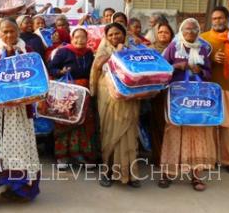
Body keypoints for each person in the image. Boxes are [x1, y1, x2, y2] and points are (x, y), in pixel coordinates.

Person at [0, 18, 41, 213]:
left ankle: (13, 188)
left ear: (18, 31)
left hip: (19, 111)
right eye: (5, 32)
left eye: (12, 31)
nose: (9, 35)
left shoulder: (26, 49)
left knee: (18, 149)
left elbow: (35, 74)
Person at [159, 18, 215, 191]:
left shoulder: (203, 49)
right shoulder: (173, 48)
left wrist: (201, 71)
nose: (190, 33)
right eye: (186, 30)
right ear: (181, 32)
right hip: (176, 96)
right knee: (173, 131)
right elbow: (162, 69)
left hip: (197, 98)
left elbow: (209, 72)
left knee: (196, 132)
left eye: (193, 30)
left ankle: (196, 176)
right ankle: (168, 173)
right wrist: (177, 66)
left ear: (198, 32)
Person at [89, 22, 141, 188]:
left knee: (129, 135)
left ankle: (129, 174)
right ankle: (107, 172)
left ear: (124, 34)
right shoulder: (103, 51)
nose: (114, 37)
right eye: (110, 35)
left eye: (117, 33)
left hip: (129, 98)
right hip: (108, 97)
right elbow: (96, 68)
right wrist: (114, 55)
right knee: (109, 134)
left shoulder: (133, 50)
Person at [200, 6, 229, 171]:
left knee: (228, 125)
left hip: (226, 86)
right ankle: (209, 160)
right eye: (215, 18)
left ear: (226, 19)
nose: (217, 21)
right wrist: (211, 59)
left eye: (220, 18)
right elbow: (196, 62)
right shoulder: (203, 38)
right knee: (208, 124)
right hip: (208, 88)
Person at [48, 27, 97, 168]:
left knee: (83, 124)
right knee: (64, 123)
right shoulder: (63, 52)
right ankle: (62, 157)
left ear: (87, 39)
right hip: (67, 93)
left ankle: (81, 155)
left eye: (83, 37)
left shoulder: (89, 53)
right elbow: (51, 68)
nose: (79, 40)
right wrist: (60, 71)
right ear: (71, 38)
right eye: (76, 37)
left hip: (84, 93)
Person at [147, 23, 175, 165]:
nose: (163, 34)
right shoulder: (150, 49)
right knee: (156, 124)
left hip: (173, 91)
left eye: (166, 32)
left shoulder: (176, 48)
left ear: (171, 34)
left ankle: (171, 156)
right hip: (156, 92)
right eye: (160, 32)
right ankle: (157, 156)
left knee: (170, 125)